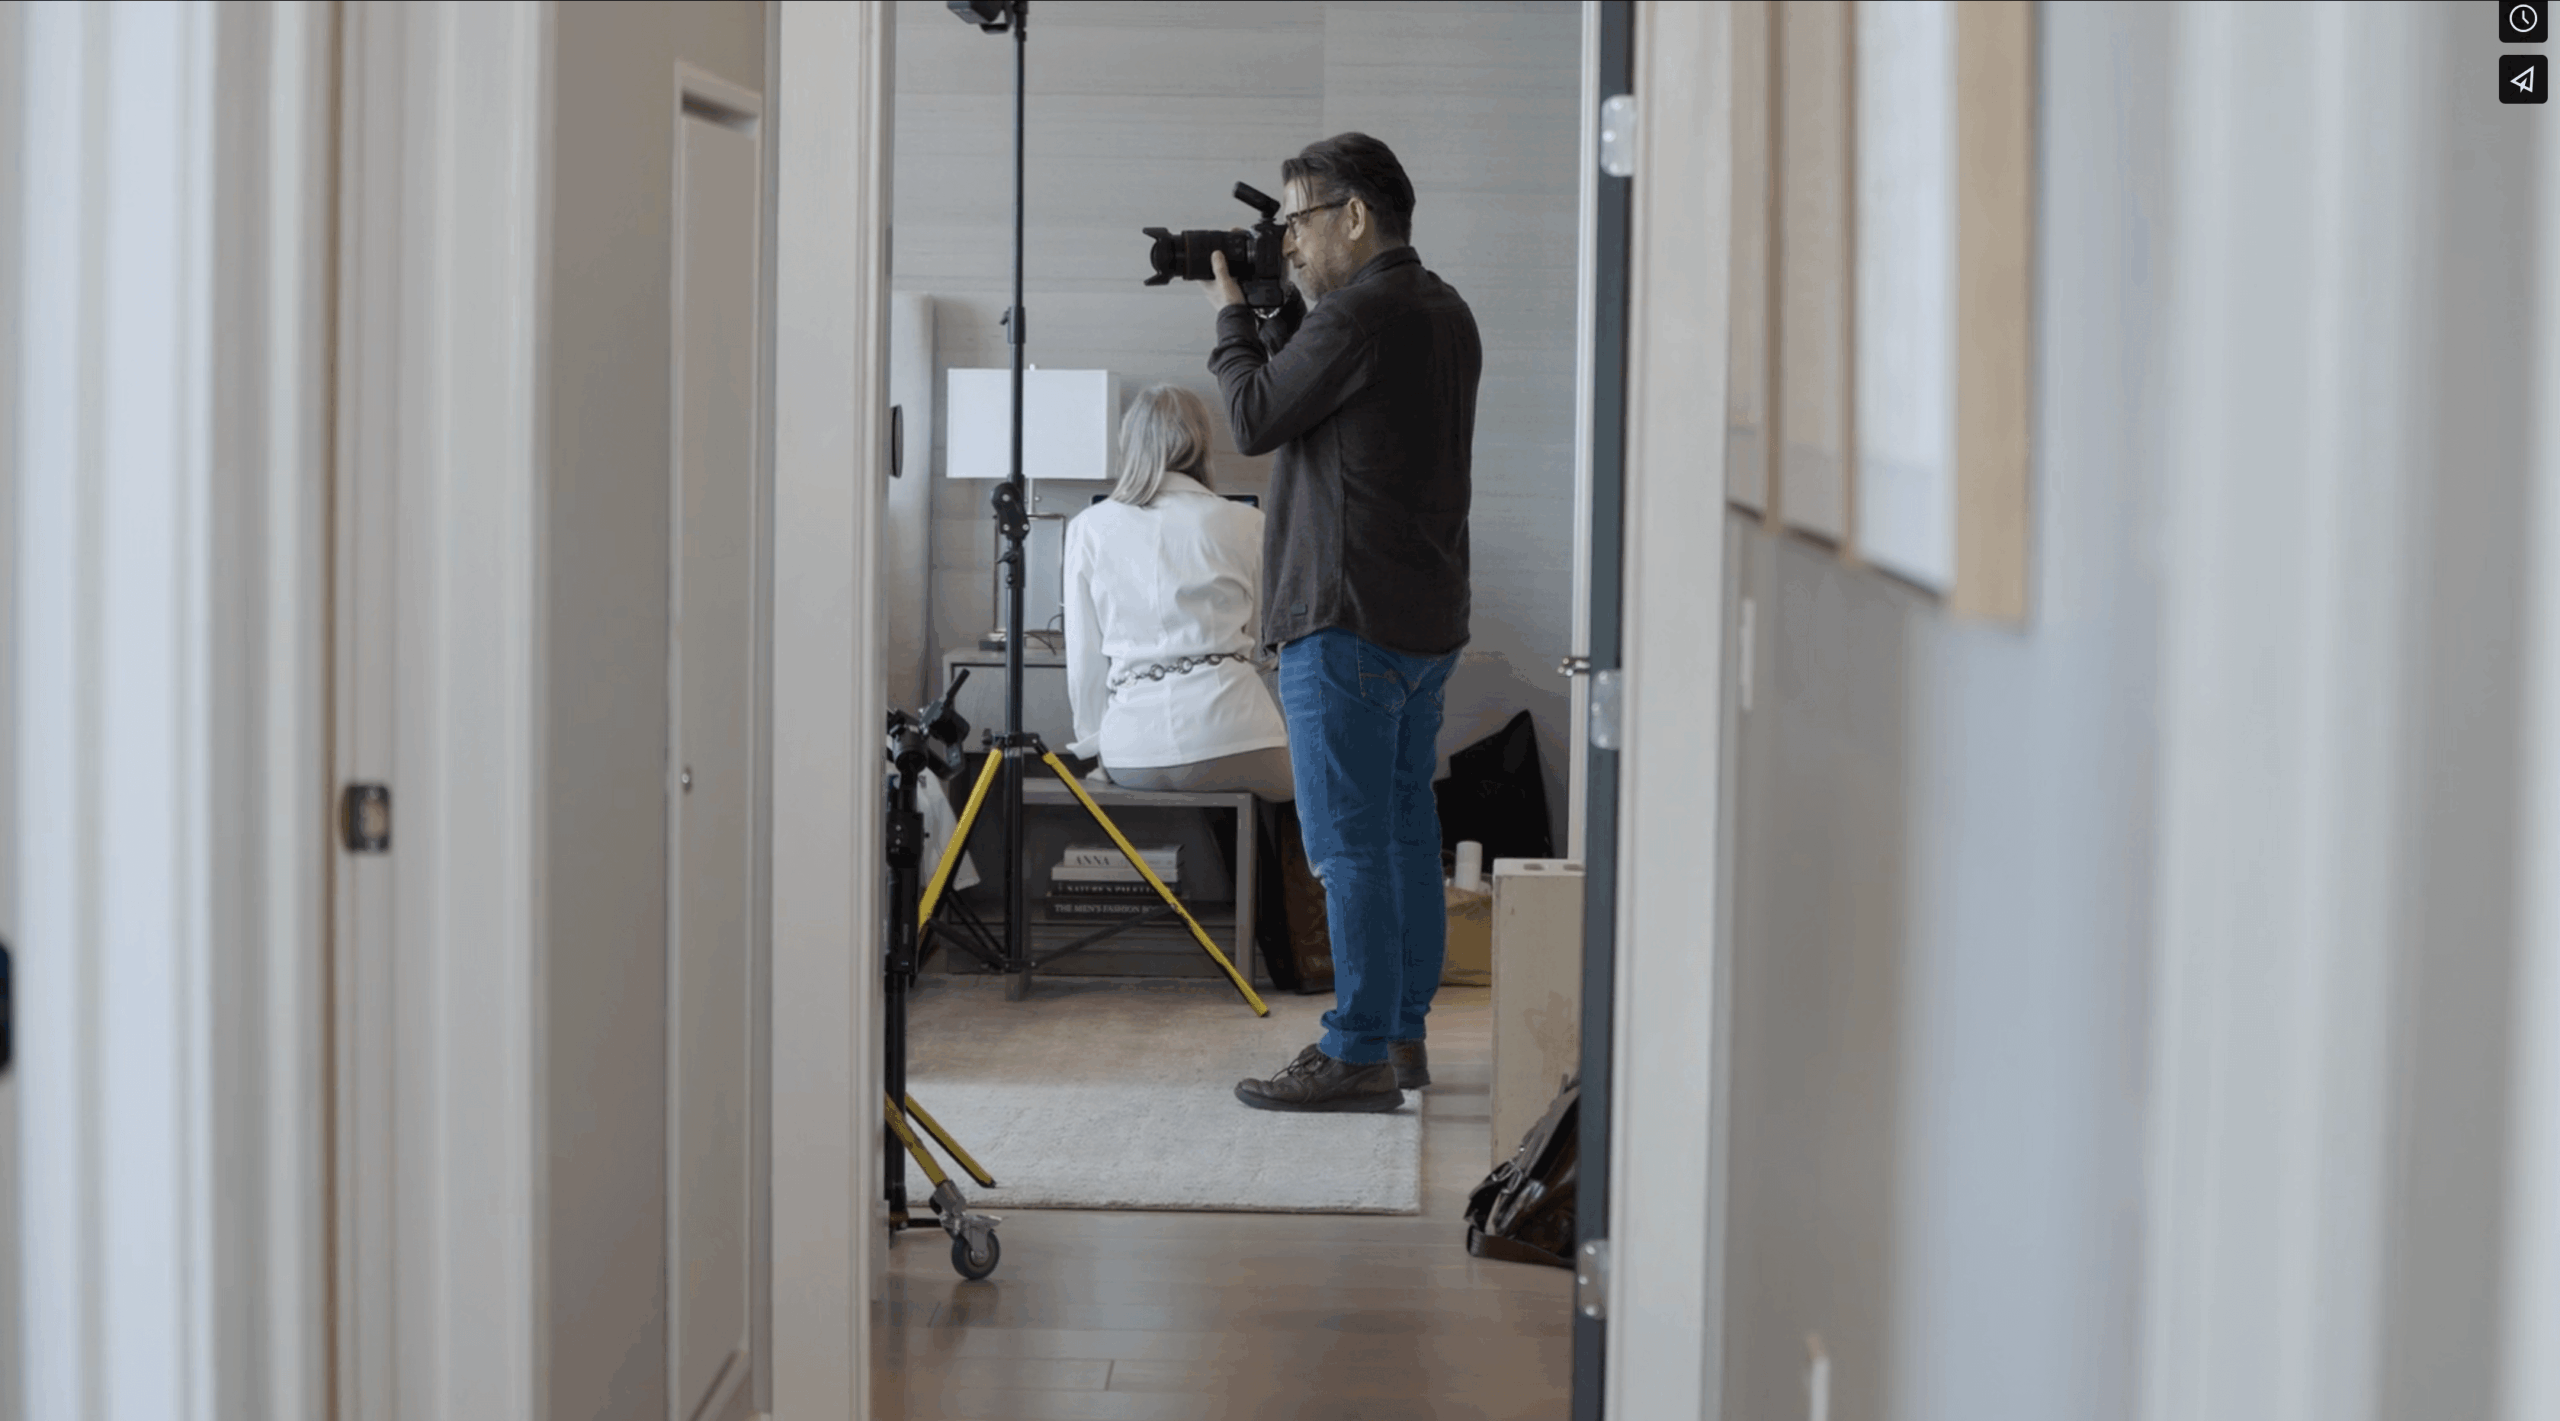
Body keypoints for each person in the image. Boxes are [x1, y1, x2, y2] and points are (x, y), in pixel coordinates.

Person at [1199, 132, 1482, 1114]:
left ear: (1353, 215)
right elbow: (1327, 416)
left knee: (1346, 847)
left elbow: (1252, 417)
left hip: (1343, 615)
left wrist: (1233, 320)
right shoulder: (1442, 310)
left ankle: (1355, 1048)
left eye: (1297, 222)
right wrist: (1281, 323)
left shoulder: (1359, 316)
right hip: (1421, 619)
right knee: (1405, 837)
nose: (1286, 247)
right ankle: (1400, 1034)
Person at [1061, 383, 1293, 802]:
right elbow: (1262, 642)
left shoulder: (1088, 527)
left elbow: (1084, 659)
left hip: (1133, 749)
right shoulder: (1247, 522)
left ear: (1130, 443)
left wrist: (1097, 743)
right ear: (1202, 442)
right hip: (1237, 733)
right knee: (1320, 797)